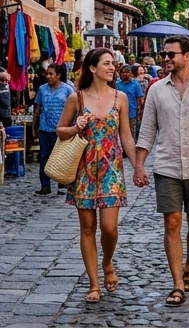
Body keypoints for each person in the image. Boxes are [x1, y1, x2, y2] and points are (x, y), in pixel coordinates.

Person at [132, 35, 189, 308]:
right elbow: (147, 130)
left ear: (187, 56)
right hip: (167, 166)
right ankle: (177, 284)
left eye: (172, 54)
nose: (166, 58)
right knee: (172, 223)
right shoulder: (157, 90)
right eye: (165, 54)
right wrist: (139, 165)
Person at [57, 48, 137, 304]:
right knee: (88, 227)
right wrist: (75, 127)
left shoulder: (120, 98)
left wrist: (138, 166)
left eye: (113, 63)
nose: (112, 67)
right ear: (92, 68)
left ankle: (108, 262)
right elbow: (60, 131)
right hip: (84, 169)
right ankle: (93, 283)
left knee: (109, 228)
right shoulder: (76, 98)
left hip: (111, 169)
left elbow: (126, 136)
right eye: (107, 63)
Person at [33, 63, 75, 196]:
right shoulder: (42, 89)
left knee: (61, 157)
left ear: (59, 75)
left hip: (61, 129)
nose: (48, 76)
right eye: (47, 73)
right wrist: (34, 125)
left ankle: (62, 184)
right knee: (45, 156)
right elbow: (38, 108)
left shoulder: (68, 90)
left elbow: (74, 108)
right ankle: (45, 185)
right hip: (44, 128)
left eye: (51, 74)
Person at [116, 65, 145, 140]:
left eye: (128, 72)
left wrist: (139, 109)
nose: (125, 74)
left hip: (131, 112)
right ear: (121, 73)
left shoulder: (135, 84)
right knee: (119, 134)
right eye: (123, 72)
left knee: (132, 134)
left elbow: (139, 98)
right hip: (118, 113)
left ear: (131, 73)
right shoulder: (117, 84)